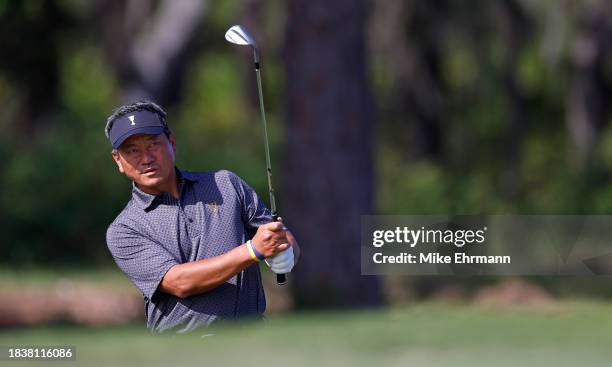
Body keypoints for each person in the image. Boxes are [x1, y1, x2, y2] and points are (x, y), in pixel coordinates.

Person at [104, 100, 299, 333]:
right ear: (118, 160)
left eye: (153, 144)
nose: (146, 159)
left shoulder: (225, 184)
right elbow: (179, 282)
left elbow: (283, 241)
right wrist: (253, 251)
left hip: (252, 340)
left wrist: (284, 250)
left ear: (172, 142)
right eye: (132, 151)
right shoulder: (124, 229)